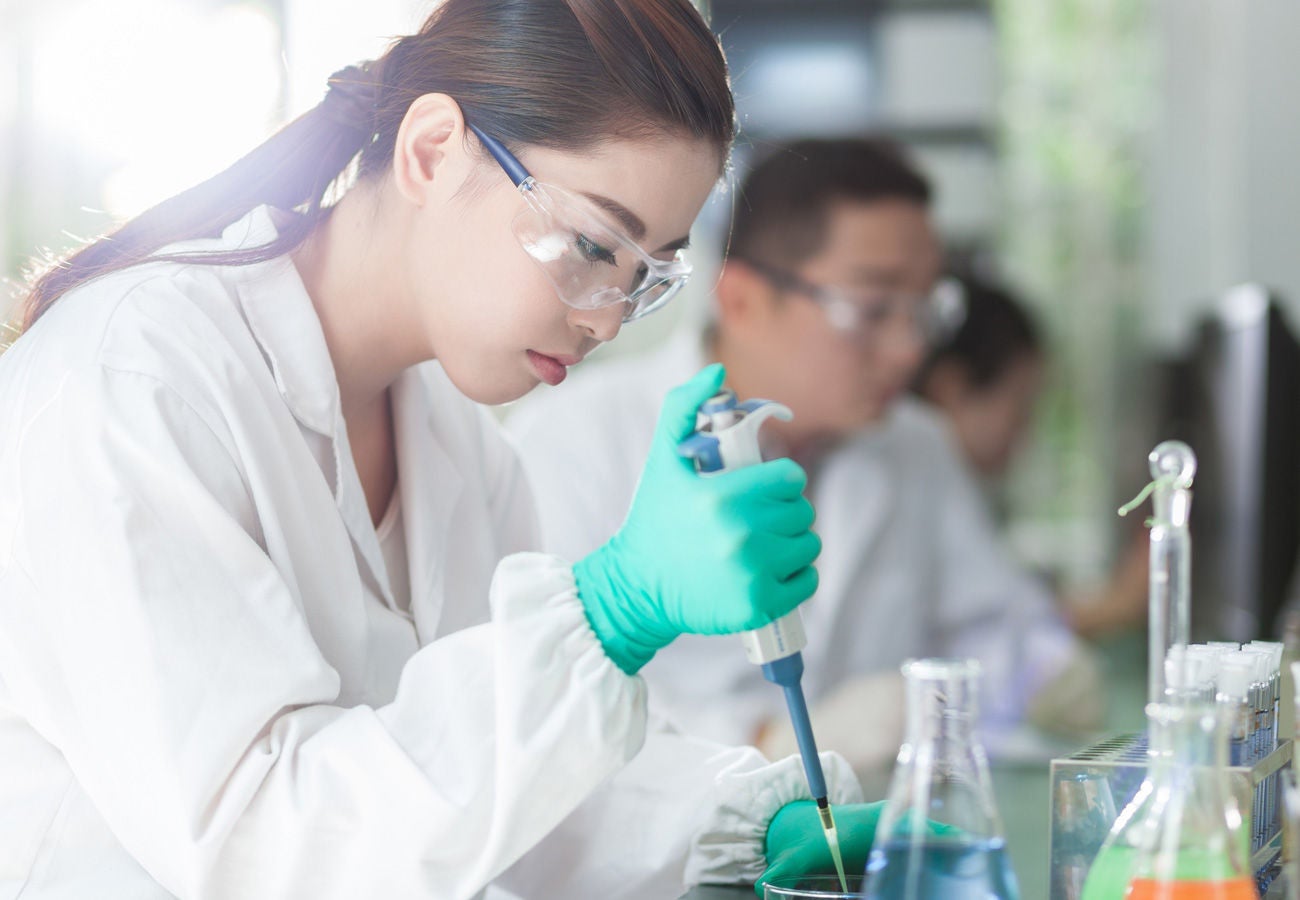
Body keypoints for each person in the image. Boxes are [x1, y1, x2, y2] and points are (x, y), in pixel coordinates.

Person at [0, 4, 879, 897]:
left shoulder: (458, 444)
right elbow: (259, 843)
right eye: (589, 246)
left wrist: (754, 826)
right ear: (430, 151)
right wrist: (603, 617)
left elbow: (514, 797)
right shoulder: (135, 379)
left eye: (646, 275)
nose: (607, 318)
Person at [506, 136, 1106, 776]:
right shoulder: (576, 437)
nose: (909, 349)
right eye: (873, 309)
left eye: (925, 310)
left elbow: (998, 629)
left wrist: (1036, 665)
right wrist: (763, 741)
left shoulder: (914, 444)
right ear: (741, 300)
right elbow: (537, 702)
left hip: (858, 847)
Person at [913, 272, 1149, 640]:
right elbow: (1009, 631)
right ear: (951, 389)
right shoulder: (921, 472)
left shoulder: (943, 479)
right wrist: (1121, 602)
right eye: (1020, 406)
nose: (1026, 431)